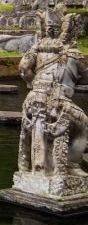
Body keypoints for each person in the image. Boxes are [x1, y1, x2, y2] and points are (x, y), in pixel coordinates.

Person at [18, 11, 88, 174]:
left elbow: (22, 68)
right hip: (58, 103)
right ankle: (71, 163)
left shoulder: (36, 49)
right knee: (85, 125)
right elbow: (86, 78)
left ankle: (24, 165)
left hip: (31, 101)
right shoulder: (73, 53)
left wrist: (33, 83)